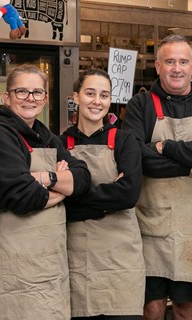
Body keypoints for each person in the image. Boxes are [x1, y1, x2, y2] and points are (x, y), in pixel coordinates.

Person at [122, 34, 192, 320]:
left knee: (186, 308)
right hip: (149, 226)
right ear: (158, 66)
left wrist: (163, 147)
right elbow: (136, 160)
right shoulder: (140, 105)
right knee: (152, 307)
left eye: (183, 62)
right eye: (170, 61)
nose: (177, 68)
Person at [0, 64, 91, 319]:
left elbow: (82, 179)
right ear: (7, 97)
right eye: (22, 92)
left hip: (49, 264)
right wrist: (62, 185)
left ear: (46, 98)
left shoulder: (45, 135)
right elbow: (22, 196)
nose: (30, 99)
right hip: (12, 267)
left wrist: (43, 178)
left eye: (37, 92)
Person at [61, 68, 145, 319]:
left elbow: (129, 194)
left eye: (104, 95)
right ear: (75, 97)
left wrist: (77, 196)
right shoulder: (60, 143)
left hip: (121, 261)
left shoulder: (124, 140)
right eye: (90, 93)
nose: (97, 101)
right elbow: (59, 203)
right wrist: (108, 200)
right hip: (77, 260)